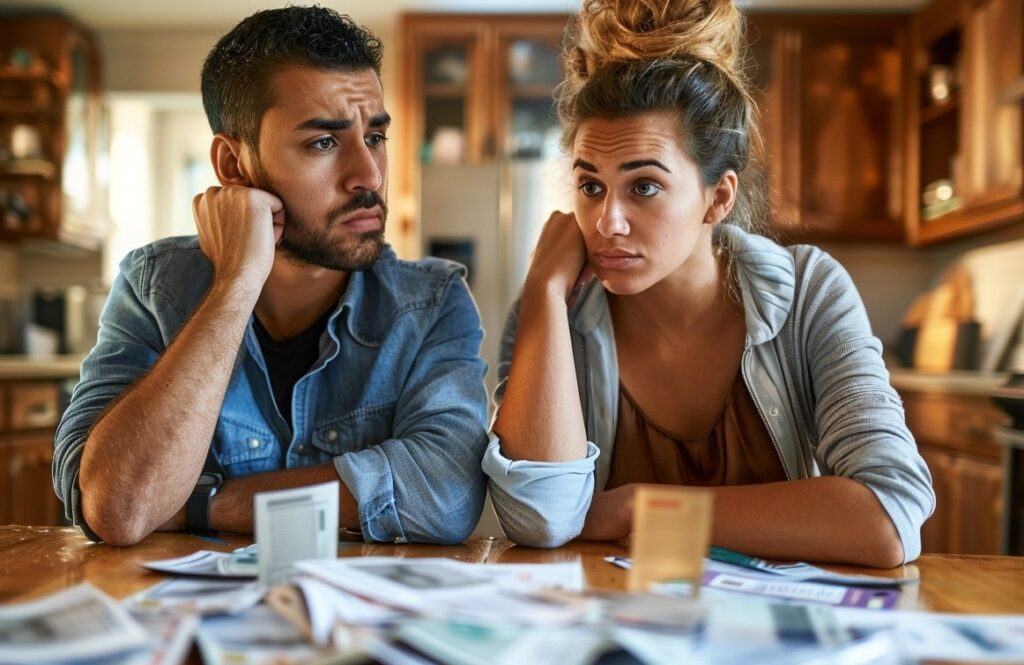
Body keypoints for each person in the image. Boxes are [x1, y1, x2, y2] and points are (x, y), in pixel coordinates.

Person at [483, 0, 934, 567]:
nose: (607, 223)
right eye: (591, 187)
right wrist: (546, 293)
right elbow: (540, 520)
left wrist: (635, 508)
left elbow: (888, 517)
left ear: (717, 197)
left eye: (643, 186)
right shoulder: (552, 311)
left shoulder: (810, 292)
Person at [53, 6, 489, 547]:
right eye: (323, 143)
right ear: (234, 166)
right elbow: (115, 506)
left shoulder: (432, 302)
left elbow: (445, 494)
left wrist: (199, 505)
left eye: (375, 137)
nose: (369, 175)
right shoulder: (154, 285)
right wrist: (235, 283)